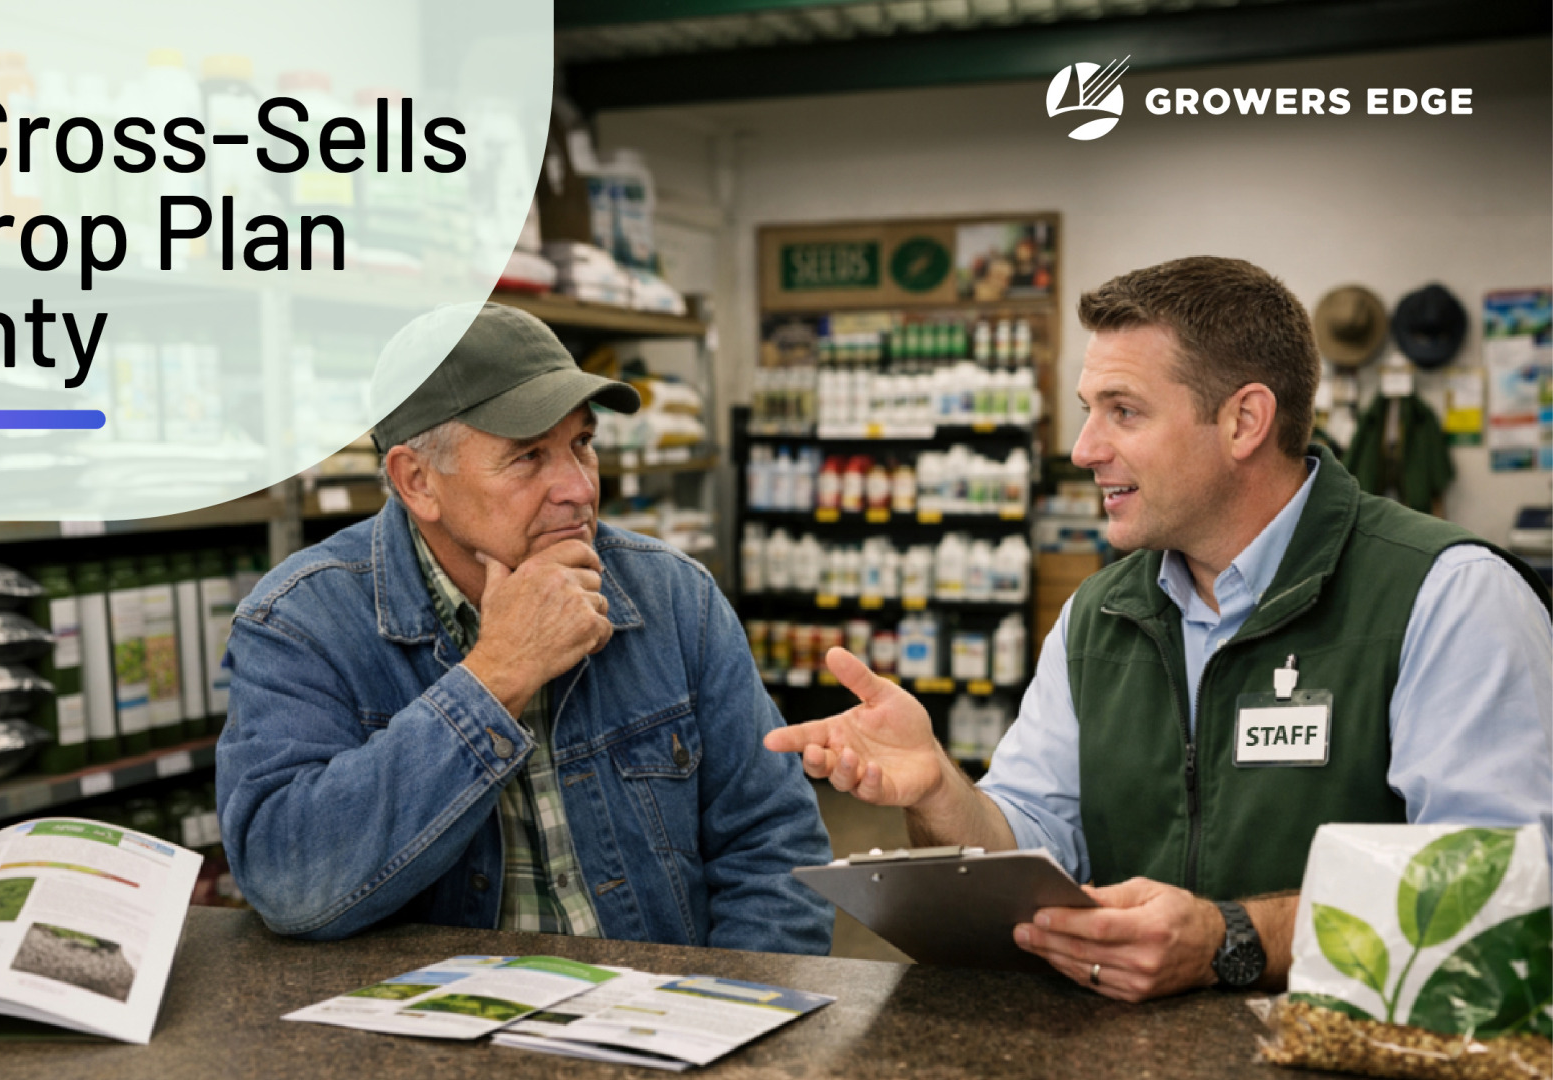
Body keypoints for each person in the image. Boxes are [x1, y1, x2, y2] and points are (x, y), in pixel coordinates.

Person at [766, 257, 1552, 1000]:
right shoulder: (1099, 615)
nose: (1084, 450)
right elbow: (1034, 843)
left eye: (1124, 412)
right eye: (1089, 412)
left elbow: (1503, 889)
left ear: (1244, 421)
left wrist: (1232, 938)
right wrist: (939, 788)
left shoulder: (1447, 596)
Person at [218, 302, 835, 954]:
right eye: (528, 456)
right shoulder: (299, 622)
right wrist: (495, 677)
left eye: (582, 444)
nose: (579, 488)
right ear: (417, 481)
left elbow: (775, 846)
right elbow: (287, 881)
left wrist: (731, 1004)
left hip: (662, 1008)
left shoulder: (676, 598)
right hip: (430, 1018)